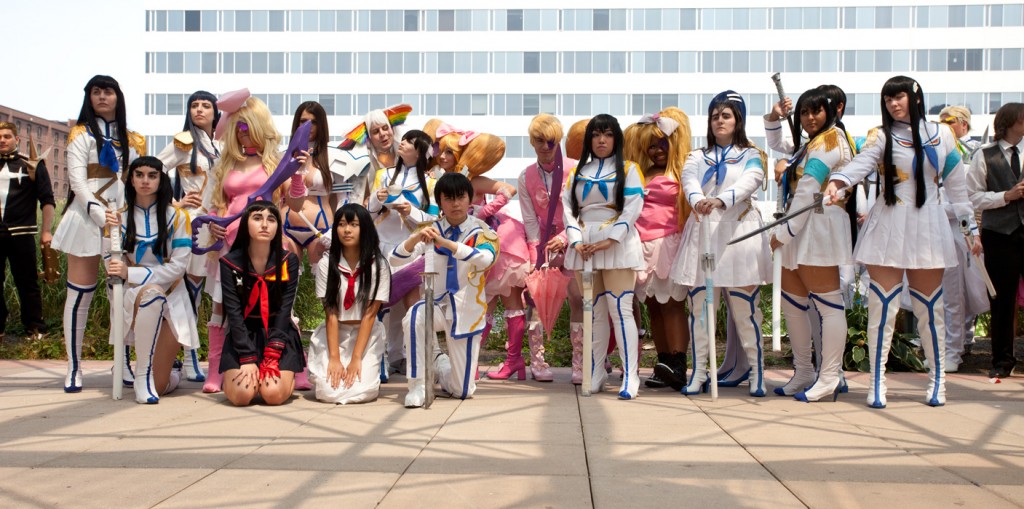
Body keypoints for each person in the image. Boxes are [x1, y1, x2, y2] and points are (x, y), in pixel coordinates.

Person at [825, 76, 976, 407]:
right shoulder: (881, 136)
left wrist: (971, 230)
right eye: (888, 99)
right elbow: (861, 165)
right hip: (889, 223)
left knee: (929, 310)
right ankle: (877, 383)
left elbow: (958, 189)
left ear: (915, 97)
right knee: (882, 309)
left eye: (900, 97)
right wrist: (838, 181)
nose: (894, 104)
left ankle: (938, 382)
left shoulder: (942, 135)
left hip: (928, 225)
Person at [203, 90, 306, 393]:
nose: (243, 134)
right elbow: (215, 202)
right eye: (239, 127)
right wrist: (213, 222)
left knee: (281, 307)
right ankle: (215, 371)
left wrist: (297, 175)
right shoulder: (226, 164)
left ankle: (296, 367)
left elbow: (296, 204)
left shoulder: (275, 164)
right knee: (222, 308)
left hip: (270, 245)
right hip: (231, 244)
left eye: (248, 127)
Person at [671, 91, 770, 397]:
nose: (719, 121)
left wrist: (721, 200)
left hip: (738, 231)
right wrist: (698, 200)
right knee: (699, 306)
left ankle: (756, 372)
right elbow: (688, 180)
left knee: (744, 308)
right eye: (715, 116)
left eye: (726, 115)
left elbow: (751, 180)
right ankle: (700, 372)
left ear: (738, 119)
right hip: (703, 231)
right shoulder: (696, 156)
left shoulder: (751, 154)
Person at [52, 75, 146, 392]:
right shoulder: (80, 135)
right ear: (89, 97)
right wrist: (95, 210)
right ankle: (74, 368)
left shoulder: (134, 140)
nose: (103, 96)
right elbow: (77, 181)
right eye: (96, 91)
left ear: (118, 97)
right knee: (80, 296)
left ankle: (123, 363)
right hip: (85, 219)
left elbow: (137, 182)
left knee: (122, 296)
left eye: (108, 91)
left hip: (120, 221)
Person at [429, 122, 541, 381]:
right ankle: (470, 363)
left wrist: (483, 212)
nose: (442, 157)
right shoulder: (439, 180)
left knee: (508, 303)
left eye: (448, 152)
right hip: (462, 246)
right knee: (481, 306)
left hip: (494, 242)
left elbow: (508, 190)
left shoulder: (473, 180)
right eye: (441, 152)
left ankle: (512, 360)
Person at [764, 88, 854, 402]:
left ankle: (830, 375)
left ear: (832, 112)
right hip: (799, 226)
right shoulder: (811, 144)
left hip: (819, 225)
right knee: (793, 301)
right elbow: (782, 148)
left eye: (816, 111)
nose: (809, 117)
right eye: (804, 112)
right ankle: (803, 370)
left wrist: (783, 232)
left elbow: (809, 189)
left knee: (828, 304)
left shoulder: (831, 141)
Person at [390, 172, 497, 407]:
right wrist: (415, 238)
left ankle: (439, 363)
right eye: (448, 198)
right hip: (435, 303)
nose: (455, 203)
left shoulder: (482, 232)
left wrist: (446, 244)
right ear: (440, 201)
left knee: (462, 391)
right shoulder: (430, 228)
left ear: (470, 199)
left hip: (466, 310)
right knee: (414, 316)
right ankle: (418, 385)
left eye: (460, 197)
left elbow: (485, 259)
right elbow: (394, 259)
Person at [563, 114, 645, 400]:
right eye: (596, 135)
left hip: (618, 245)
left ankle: (630, 374)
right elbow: (569, 209)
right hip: (584, 246)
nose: (601, 140)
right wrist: (575, 241)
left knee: (620, 310)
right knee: (593, 312)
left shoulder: (630, 169)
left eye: (608, 134)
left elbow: (633, 207)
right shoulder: (576, 173)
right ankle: (595, 371)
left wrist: (611, 239)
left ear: (616, 139)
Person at [105, 156, 197, 403]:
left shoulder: (178, 218)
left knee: (161, 385)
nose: (145, 181)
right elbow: (110, 265)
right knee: (151, 294)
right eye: (139, 175)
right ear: (131, 180)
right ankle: (141, 376)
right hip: (132, 296)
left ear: (161, 180)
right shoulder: (117, 218)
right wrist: (108, 237)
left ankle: (168, 373)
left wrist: (132, 273)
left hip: (173, 297)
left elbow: (179, 267)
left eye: (152, 175)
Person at [624, 108, 692, 391]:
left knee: (673, 304)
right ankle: (663, 363)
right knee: (652, 304)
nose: (656, 150)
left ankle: (678, 363)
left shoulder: (683, 171)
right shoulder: (640, 170)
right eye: (651, 145)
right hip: (640, 245)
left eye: (662, 143)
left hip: (670, 243)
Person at [156, 90, 220, 382]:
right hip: (193, 224)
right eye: (194, 105)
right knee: (190, 292)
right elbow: (151, 170)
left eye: (206, 105)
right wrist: (174, 203)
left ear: (215, 112)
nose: (199, 110)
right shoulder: (183, 143)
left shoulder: (220, 146)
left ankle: (198, 357)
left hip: (218, 223)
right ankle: (190, 357)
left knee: (210, 292)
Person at [517, 114, 586, 383]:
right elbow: (530, 218)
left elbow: (582, 211)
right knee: (535, 302)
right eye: (539, 141)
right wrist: (538, 253)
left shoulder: (576, 170)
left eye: (551, 141)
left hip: (573, 243)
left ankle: (579, 363)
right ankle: (538, 361)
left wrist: (567, 239)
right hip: (542, 248)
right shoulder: (526, 176)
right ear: (532, 142)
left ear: (559, 141)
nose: (546, 146)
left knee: (578, 299)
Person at [367, 128, 439, 379]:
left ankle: (408, 355)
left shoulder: (431, 182)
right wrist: (378, 197)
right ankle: (382, 357)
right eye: (405, 139)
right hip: (382, 244)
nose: (403, 143)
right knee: (381, 303)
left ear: (419, 151)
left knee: (410, 305)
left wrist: (412, 212)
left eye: (409, 141)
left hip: (411, 247)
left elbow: (434, 218)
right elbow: (369, 210)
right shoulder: (382, 174)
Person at [218, 201, 303, 406]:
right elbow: (233, 313)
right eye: (257, 218)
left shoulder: (288, 261)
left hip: (277, 332)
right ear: (246, 224)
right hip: (244, 334)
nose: (265, 224)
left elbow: (285, 310)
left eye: (271, 219)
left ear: (277, 227)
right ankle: (241, 375)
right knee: (241, 396)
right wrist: (247, 357)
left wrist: (273, 351)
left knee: (272, 394)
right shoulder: (229, 263)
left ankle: (285, 377)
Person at [308, 204, 391, 403]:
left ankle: (371, 367)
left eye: (354, 224)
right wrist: (335, 359)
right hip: (335, 334)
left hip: (366, 336)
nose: (347, 230)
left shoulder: (378, 265)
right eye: (342, 224)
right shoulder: (326, 264)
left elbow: (370, 315)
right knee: (328, 392)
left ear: (365, 229)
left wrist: (355, 359)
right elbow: (331, 314)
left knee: (362, 392)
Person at [967, 102, 1024, 379]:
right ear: (1010, 122)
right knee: (1001, 299)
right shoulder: (984, 155)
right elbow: (973, 196)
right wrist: (1006, 196)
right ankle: (1002, 360)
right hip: (1000, 234)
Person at [936, 105, 989, 373]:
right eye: (940, 121)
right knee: (938, 297)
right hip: (931, 231)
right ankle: (943, 349)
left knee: (956, 297)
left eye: (950, 121)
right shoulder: (934, 152)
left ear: (964, 125)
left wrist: (971, 234)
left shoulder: (972, 157)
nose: (944, 125)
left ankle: (953, 352)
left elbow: (964, 204)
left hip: (958, 233)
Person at [0, 122, 55, 343]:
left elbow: (47, 199)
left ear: (17, 139)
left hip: (22, 233)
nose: (2, 140)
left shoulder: (32, 164)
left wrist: (46, 231)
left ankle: (35, 327)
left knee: (27, 282)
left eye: (6, 136)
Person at [283, 101, 334, 264]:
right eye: (303, 121)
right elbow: (281, 196)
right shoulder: (284, 157)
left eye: (314, 122)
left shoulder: (333, 157)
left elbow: (345, 198)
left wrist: (335, 232)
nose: (308, 126)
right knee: (286, 283)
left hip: (322, 229)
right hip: (286, 226)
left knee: (324, 281)